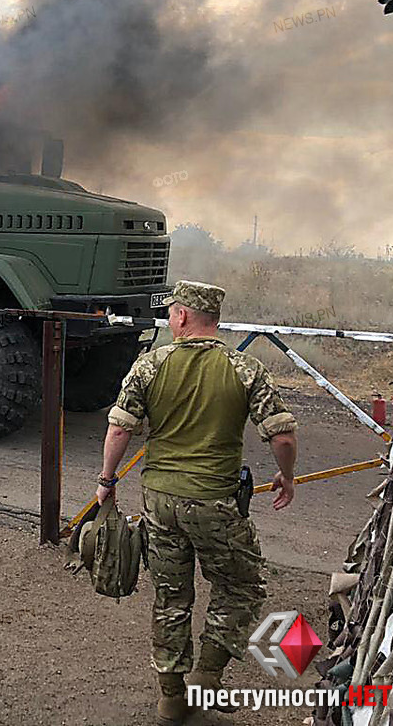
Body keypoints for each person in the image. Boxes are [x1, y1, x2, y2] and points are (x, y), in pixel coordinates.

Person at [95, 280, 298, 726]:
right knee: (240, 587)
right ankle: (206, 679)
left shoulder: (150, 366)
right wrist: (286, 474)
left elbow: (119, 429)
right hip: (215, 502)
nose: (169, 319)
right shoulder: (244, 369)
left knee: (171, 596)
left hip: (160, 502)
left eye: (171, 313)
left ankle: (171, 698)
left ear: (183, 316)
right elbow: (281, 434)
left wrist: (107, 482)